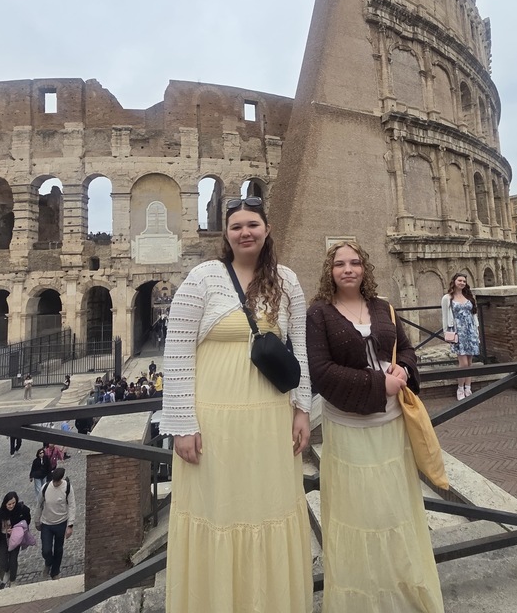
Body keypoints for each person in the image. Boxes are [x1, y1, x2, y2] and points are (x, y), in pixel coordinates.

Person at [162, 195, 312, 612]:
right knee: (219, 510)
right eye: (236, 227)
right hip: (214, 420)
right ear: (226, 235)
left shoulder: (287, 281)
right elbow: (176, 353)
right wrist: (181, 424)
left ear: (267, 230)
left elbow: (298, 347)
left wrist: (302, 410)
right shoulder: (203, 277)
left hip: (269, 416)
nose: (245, 232)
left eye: (253, 224)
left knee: (270, 504)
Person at [307, 241, 444, 612]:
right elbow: (319, 372)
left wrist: (404, 370)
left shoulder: (383, 307)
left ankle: (399, 587)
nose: (348, 269)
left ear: (364, 268)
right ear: (329, 270)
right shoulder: (319, 313)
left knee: (393, 508)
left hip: (392, 422)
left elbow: (407, 349)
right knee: (358, 511)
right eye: (339, 264)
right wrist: (376, 384)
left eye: (354, 263)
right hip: (350, 424)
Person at [441, 272, 481, 400]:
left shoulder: (469, 297)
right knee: (462, 363)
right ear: (454, 281)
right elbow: (444, 316)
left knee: (469, 362)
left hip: (470, 331)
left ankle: (468, 387)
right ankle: (460, 388)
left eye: (464, 281)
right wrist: (446, 332)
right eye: (460, 280)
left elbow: (474, 315)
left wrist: (477, 330)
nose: (462, 283)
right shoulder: (447, 298)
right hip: (458, 332)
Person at [0, 491, 32, 589]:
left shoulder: (21, 510)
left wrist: (17, 529)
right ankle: (7, 572)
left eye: (13, 503)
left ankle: (13, 580)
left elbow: (27, 519)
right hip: (2, 539)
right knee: (2, 561)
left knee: (13, 559)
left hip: (15, 538)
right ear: (5, 503)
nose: (11, 506)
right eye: (9, 504)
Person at [36, 467, 75, 580]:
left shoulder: (67, 488)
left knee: (58, 549)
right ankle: (48, 562)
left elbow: (72, 506)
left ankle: (55, 572)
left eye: (57, 481)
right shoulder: (46, 487)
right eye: (54, 481)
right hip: (46, 523)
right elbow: (39, 504)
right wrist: (36, 521)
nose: (56, 483)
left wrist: (70, 525)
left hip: (61, 523)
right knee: (46, 550)